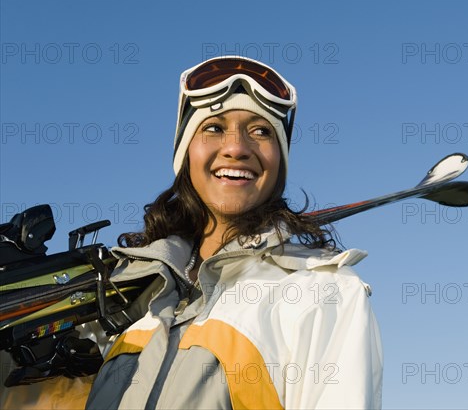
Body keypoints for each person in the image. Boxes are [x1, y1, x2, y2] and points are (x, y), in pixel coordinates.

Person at [4, 56, 384, 409]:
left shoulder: (324, 293)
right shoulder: (122, 296)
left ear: (279, 161)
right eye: (214, 128)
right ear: (186, 154)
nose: (236, 147)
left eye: (261, 131)